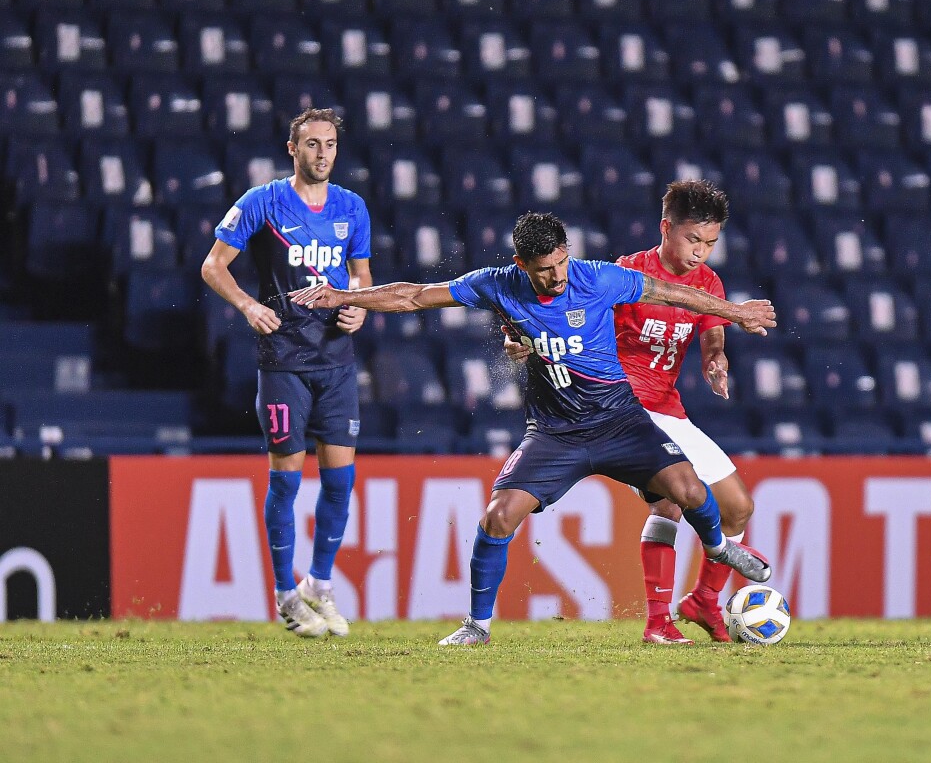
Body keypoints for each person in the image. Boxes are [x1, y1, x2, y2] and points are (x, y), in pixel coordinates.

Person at [289, 211, 776, 646]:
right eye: (545, 268)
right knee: (498, 516)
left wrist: (739, 312)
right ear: (522, 263)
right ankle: (477, 625)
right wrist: (343, 296)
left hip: (620, 420)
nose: (557, 276)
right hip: (554, 433)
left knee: (689, 487)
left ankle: (718, 548)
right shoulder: (495, 284)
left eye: (562, 263)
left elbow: (670, 292)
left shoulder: (599, 278)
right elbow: (415, 295)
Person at [502, 181, 753, 645]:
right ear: (666, 228)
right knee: (670, 500)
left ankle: (702, 602)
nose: (701, 252)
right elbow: (567, 314)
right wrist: (524, 340)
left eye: (711, 243)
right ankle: (658, 621)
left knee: (738, 508)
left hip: (670, 407)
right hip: (621, 404)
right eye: (693, 240)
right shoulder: (626, 273)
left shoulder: (708, 283)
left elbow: (712, 331)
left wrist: (716, 360)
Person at [200, 107, 372, 639]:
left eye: (330, 145)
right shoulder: (263, 202)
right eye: (313, 144)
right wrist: (250, 307)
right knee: (287, 480)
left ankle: (319, 583)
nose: (323, 154)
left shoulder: (353, 208)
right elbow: (212, 265)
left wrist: (359, 306)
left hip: (337, 361)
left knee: (341, 481)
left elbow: (362, 276)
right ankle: (284, 593)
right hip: (283, 362)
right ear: (292, 149)